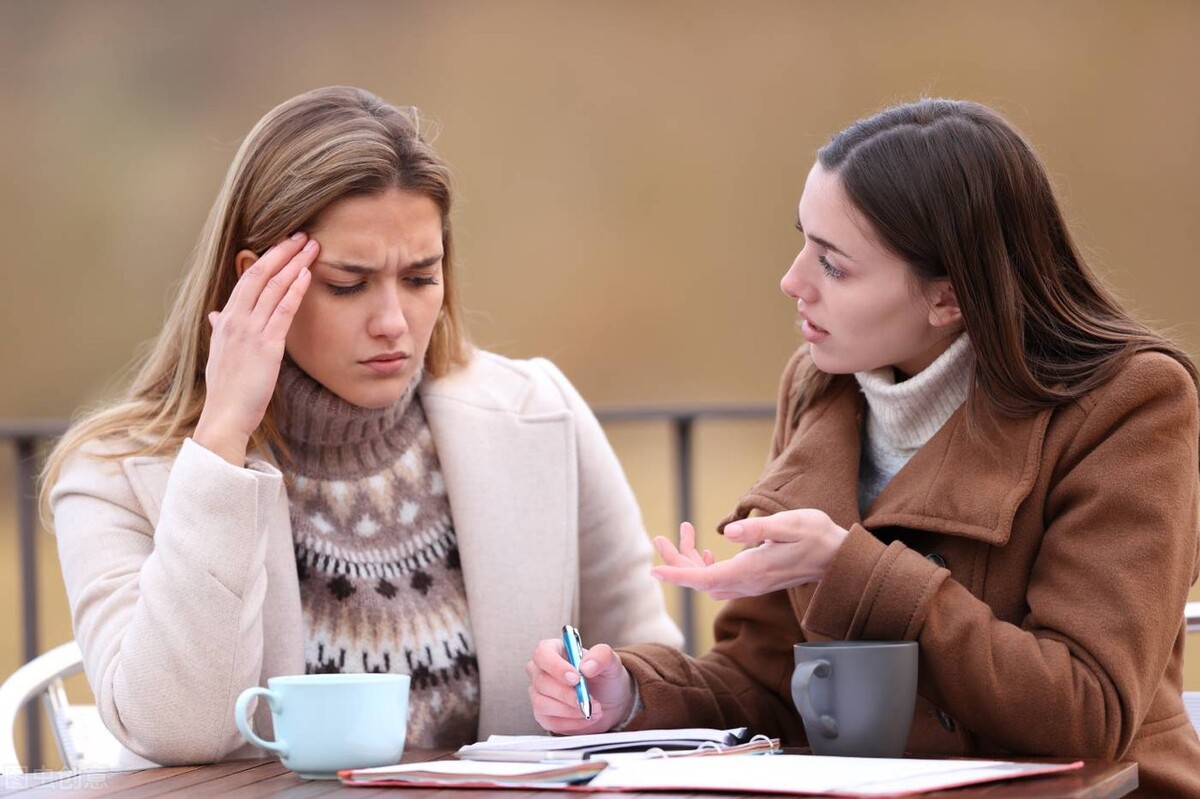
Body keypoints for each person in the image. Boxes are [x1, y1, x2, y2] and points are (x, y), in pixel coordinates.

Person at [527, 98, 1200, 797]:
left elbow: (1087, 711)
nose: (793, 282)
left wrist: (850, 568)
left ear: (948, 299)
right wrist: (630, 693)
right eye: (802, 243)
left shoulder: (1133, 403)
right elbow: (766, 678)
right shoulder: (822, 387)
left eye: (834, 265)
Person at [41, 85, 681, 767]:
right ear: (258, 283)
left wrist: (612, 692)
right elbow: (176, 730)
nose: (392, 322)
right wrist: (222, 441)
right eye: (349, 283)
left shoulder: (540, 413)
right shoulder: (114, 473)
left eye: (420, 277)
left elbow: (653, 663)